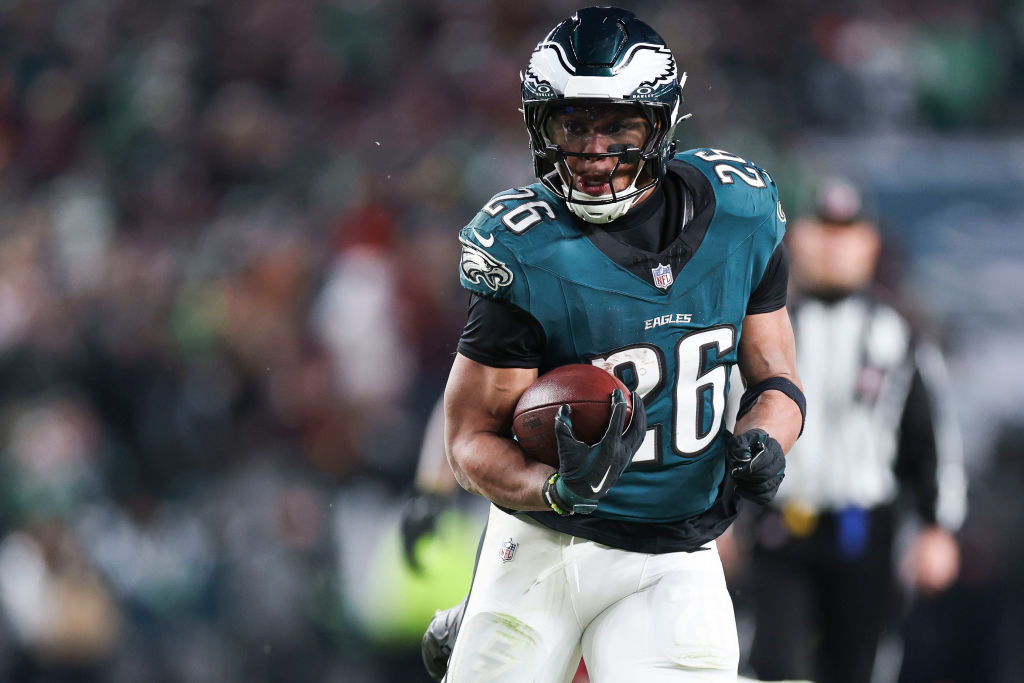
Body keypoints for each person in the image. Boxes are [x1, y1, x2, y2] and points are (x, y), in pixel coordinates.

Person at [428, 7, 806, 682]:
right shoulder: (527, 247)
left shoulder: (744, 214)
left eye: (618, 125)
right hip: (542, 540)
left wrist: (768, 436)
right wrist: (553, 487)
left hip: (676, 550)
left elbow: (777, 376)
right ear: (541, 127)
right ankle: (481, 609)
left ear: (659, 124)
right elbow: (467, 440)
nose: (595, 150)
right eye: (573, 124)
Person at [731, 177, 966, 683]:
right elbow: (727, 420)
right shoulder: (761, 325)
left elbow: (929, 438)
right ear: (797, 237)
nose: (834, 246)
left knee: (856, 666)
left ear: (870, 244)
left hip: (864, 531)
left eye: (848, 232)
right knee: (772, 665)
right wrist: (718, 520)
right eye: (823, 229)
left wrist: (936, 524)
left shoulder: (898, 334)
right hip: (777, 525)